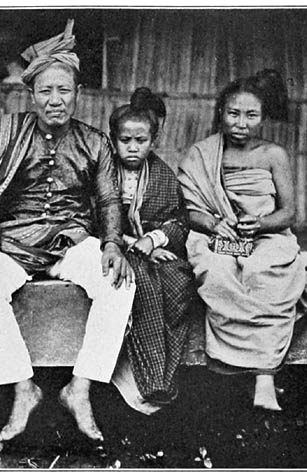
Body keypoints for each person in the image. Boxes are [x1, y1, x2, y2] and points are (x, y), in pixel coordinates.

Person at [0, 20, 135, 447]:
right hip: (15, 241)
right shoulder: (4, 134)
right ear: (31, 94)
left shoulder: (95, 142)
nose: (55, 101)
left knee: (119, 283)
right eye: (46, 92)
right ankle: (23, 388)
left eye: (64, 91)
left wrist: (111, 244)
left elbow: (109, 200)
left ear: (78, 94)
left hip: (71, 241)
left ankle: (81, 389)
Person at [177, 69, 307, 411]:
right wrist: (213, 223)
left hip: (266, 236)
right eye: (233, 114)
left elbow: (289, 213)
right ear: (220, 114)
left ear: (263, 118)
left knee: (264, 270)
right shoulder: (204, 154)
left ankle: (264, 377)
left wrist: (262, 223)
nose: (241, 123)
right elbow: (191, 211)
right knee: (217, 268)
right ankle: (229, 375)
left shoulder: (273, 155)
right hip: (219, 235)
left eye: (251, 115)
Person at [107, 88, 199, 415]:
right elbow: (92, 217)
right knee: (141, 283)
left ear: (153, 140)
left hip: (151, 247)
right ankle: (144, 378)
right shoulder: (103, 170)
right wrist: (136, 245)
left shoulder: (161, 173)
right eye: (125, 140)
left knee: (179, 281)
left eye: (141, 141)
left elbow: (178, 219)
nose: (133, 148)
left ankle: (164, 372)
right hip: (116, 247)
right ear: (113, 138)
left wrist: (155, 241)